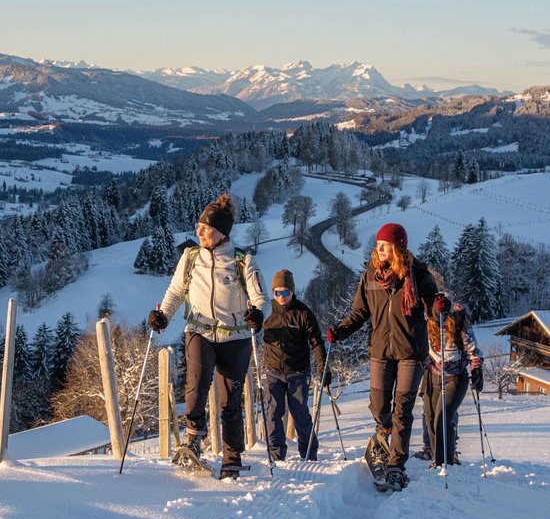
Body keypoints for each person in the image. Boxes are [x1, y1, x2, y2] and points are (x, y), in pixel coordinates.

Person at [148, 194, 269, 479]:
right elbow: (176, 292)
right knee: (195, 385)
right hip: (199, 331)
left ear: (222, 232)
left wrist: (258, 314)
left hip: (235, 338)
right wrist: (163, 315)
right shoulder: (190, 258)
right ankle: (194, 438)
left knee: (230, 401)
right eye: (199, 225)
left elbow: (261, 298)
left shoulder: (243, 262)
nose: (199, 231)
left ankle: (232, 456)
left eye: (206, 227)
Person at [328, 223, 437, 491]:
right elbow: (359, 313)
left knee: (403, 410)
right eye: (378, 244)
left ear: (398, 247)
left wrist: (440, 305)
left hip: (411, 351)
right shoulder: (369, 277)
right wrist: (340, 332)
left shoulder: (419, 274)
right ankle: (382, 435)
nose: (380, 249)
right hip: (380, 351)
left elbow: (433, 308)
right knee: (379, 407)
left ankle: (396, 466)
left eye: (385, 245)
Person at [262, 269, 331, 462]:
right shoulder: (267, 312)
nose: (281, 297)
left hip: (298, 372)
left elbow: (316, 342)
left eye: (285, 292)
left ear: (292, 292)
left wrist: (322, 366)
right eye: (277, 292)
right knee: (273, 413)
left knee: (300, 413)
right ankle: (276, 456)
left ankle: (309, 454)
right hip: (273, 370)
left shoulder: (303, 313)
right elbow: (251, 326)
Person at [423, 294, 483, 468]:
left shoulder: (458, 326)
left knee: (442, 418)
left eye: (445, 315)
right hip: (433, 376)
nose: (441, 320)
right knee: (432, 420)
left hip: (456, 378)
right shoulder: (427, 328)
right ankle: (438, 458)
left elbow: (473, 351)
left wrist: (477, 370)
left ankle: (444, 463)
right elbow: (421, 352)